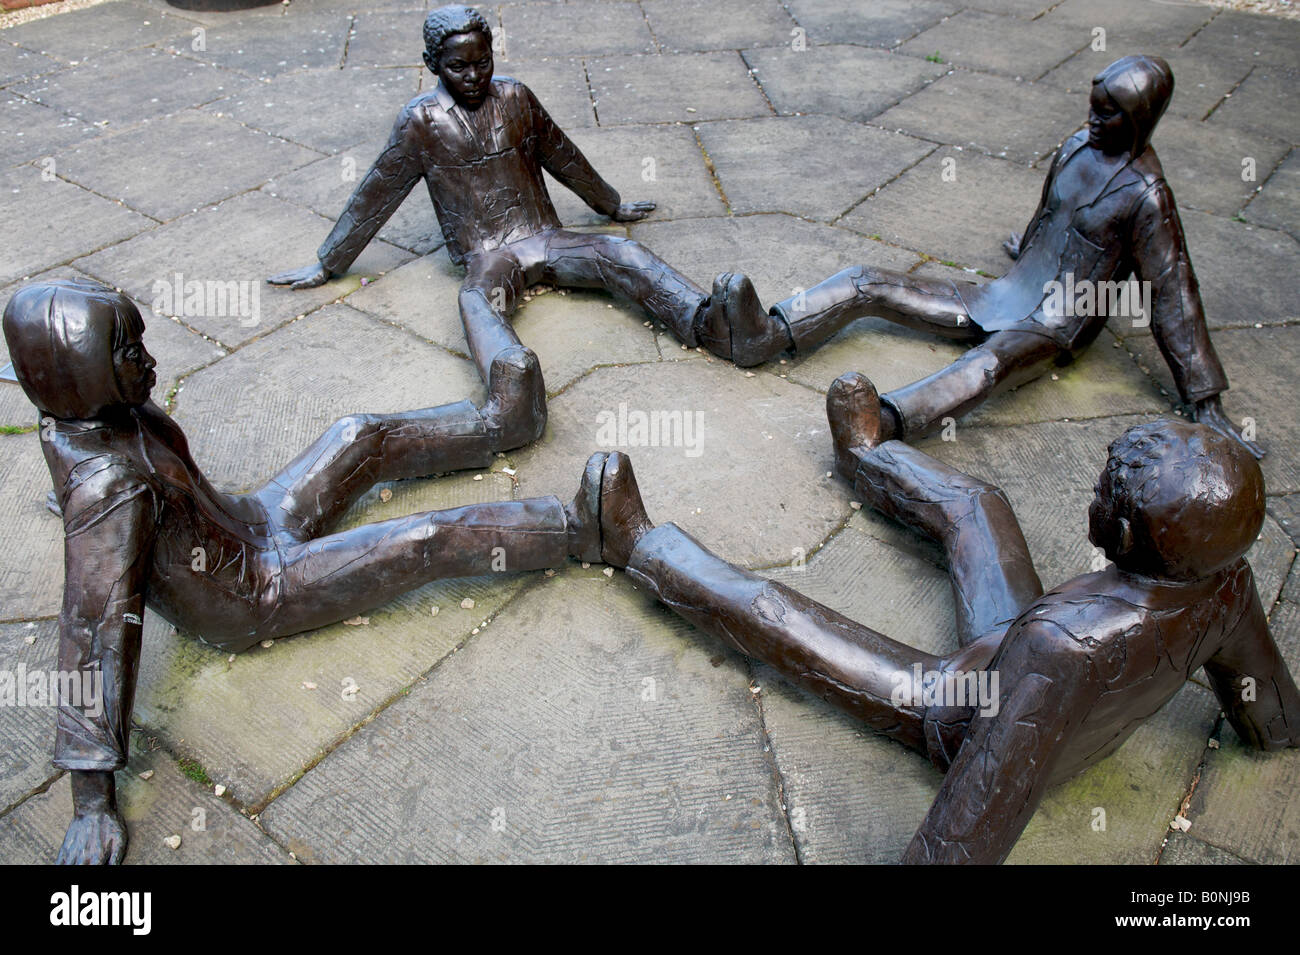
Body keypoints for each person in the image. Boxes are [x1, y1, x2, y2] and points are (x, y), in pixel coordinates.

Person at [2, 278, 617, 865]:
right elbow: (92, 627)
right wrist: (90, 801)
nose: (146, 357)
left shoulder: (77, 412)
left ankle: (503, 423)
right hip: (255, 590)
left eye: (137, 338)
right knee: (423, 539)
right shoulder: (108, 489)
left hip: (251, 521)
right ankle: (580, 529)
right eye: (126, 350)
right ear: (80, 374)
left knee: (360, 436)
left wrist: (77, 501)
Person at [586, 378, 1299, 863]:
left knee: (780, 614)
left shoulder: (1064, 649)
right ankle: (866, 455)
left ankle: (636, 542)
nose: (1090, 492)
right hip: (1023, 661)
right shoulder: (1223, 580)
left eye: (1099, 490)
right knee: (978, 504)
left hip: (958, 709)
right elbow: (1265, 697)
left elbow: (978, 813)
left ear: (1116, 527)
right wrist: (1277, 730)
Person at [705, 55, 1261, 457]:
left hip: (1057, 320)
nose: (1092, 122)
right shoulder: (1077, 145)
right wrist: (1031, 249)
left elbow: (1174, 293)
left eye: (1108, 115)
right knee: (866, 281)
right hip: (1007, 290)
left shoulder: (1148, 197)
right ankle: (768, 334)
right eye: (1092, 109)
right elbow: (1051, 211)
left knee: (985, 366)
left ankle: (882, 425)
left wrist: (1205, 399)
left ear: (1140, 121)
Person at [269, 4, 776, 421]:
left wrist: (611, 204)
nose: (473, 76)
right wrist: (329, 262)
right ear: (431, 63)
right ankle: (511, 391)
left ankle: (709, 321)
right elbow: (375, 194)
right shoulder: (419, 123)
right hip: (489, 254)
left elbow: (564, 155)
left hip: (545, 236)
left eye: (482, 62)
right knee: (476, 302)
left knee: (622, 251)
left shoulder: (515, 97)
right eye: (457, 67)